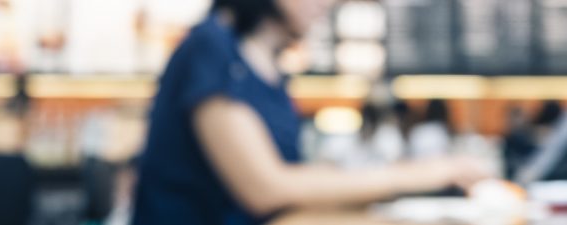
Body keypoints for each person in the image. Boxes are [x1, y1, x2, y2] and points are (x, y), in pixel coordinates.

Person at [131, 0, 491, 224]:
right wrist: (424, 173)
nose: (328, 3)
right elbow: (266, 188)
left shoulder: (272, 71)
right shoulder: (210, 48)